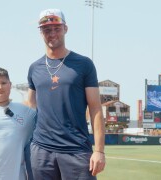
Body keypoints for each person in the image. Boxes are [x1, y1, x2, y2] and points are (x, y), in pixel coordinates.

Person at [27, 9, 106, 179]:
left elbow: (95, 109)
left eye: (57, 28)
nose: (52, 33)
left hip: (76, 149)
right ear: (41, 32)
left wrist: (99, 150)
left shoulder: (84, 64)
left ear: (65, 28)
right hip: (42, 150)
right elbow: (30, 107)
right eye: (47, 29)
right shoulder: (34, 68)